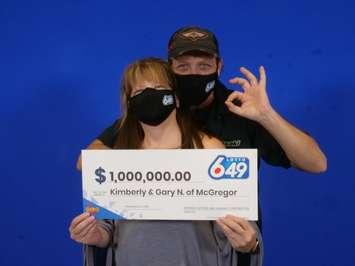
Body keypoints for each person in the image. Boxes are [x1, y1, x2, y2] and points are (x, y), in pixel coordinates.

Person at [75, 26, 327, 264]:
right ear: (170, 68)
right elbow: (89, 161)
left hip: (223, 249)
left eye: (204, 65)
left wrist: (266, 115)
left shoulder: (240, 111)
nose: (193, 74)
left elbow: (316, 163)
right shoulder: (151, 110)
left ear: (219, 67)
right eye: (183, 67)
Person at [70, 58, 263, 266]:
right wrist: (95, 234)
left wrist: (248, 242)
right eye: (139, 92)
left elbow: (237, 225)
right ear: (130, 103)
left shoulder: (209, 150)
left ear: (176, 99)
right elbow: (108, 227)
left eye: (159, 87)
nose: (150, 95)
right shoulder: (118, 157)